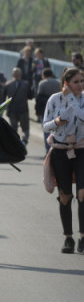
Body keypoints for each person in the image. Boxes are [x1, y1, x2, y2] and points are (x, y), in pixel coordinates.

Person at [42, 68, 84, 254]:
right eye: (76, 82)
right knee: (65, 195)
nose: (80, 85)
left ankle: (83, 237)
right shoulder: (54, 99)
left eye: (82, 81)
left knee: (83, 193)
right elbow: (45, 126)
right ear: (66, 83)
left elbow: (82, 117)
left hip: (82, 149)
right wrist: (57, 122)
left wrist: (72, 98)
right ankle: (68, 238)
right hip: (60, 150)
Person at [5, 67, 33, 145]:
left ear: (12, 75)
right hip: (23, 109)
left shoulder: (8, 85)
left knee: (13, 128)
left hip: (12, 110)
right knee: (26, 128)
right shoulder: (26, 84)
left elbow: (4, 98)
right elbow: (30, 96)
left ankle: (15, 143)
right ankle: (24, 141)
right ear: (21, 74)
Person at [36, 68, 62, 152]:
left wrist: (37, 111)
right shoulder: (58, 82)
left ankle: (48, 150)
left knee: (46, 130)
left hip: (44, 109)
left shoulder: (42, 83)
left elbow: (38, 98)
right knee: (57, 130)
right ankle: (56, 148)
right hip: (57, 109)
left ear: (44, 75)